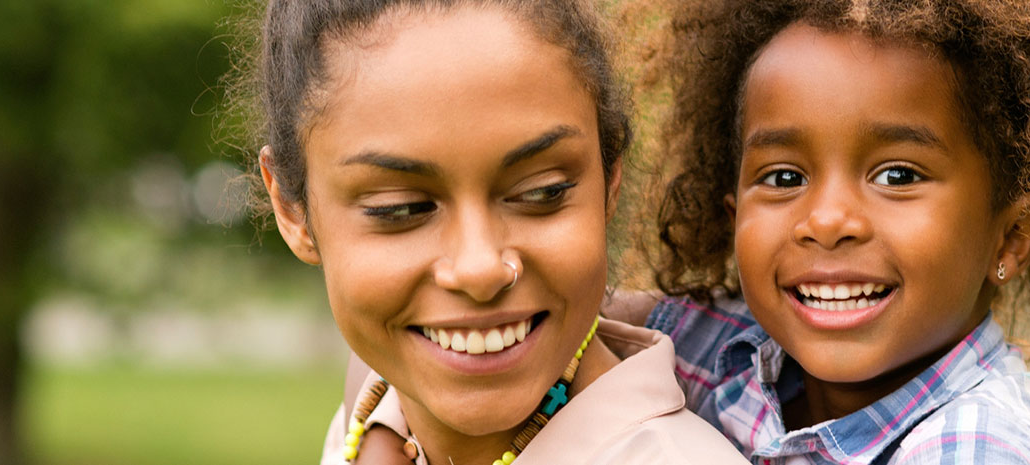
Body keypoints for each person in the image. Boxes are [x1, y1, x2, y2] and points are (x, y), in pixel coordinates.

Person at [638, 0, 1030, 463]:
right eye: (785, 177)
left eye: (897, 175)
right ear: (736, 219)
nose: (828, 221)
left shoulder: (979, 444)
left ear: (1013, 234)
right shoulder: (709, 347)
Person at [227, 0, 749, 463]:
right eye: (400, 209)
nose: (480, 268)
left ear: (609, 177)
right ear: (293, 209)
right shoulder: (372, 427)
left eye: (542, 193)